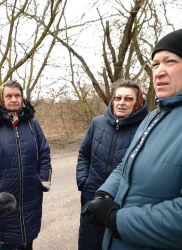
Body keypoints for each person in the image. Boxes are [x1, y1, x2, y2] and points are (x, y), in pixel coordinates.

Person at [81, 29, 182, 249]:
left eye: (170, 61)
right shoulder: (154, 117)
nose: (159, 72)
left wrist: (116, 220)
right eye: (155, 64)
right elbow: (124, 165)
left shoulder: (143, 118)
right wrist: (102, 193)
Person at [0, 80, 52, 250]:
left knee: (26, 239)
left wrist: (43, 179)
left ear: (22, 98)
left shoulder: (32, 124)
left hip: (31, 199)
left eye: (17, 95)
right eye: (9, 96)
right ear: (1, 98)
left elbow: (44, 152)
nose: (13, 99)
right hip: (3, 203)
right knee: (2, 242)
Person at [76, 80, 148, 250]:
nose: (122, 102)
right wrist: (83, 182)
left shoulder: (145, 127)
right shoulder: (97, 123)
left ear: (137, 102)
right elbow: (83, 154)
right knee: (89, 243)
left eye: (128, 99)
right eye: (118, 98)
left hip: (123, 205)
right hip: (92, 196)